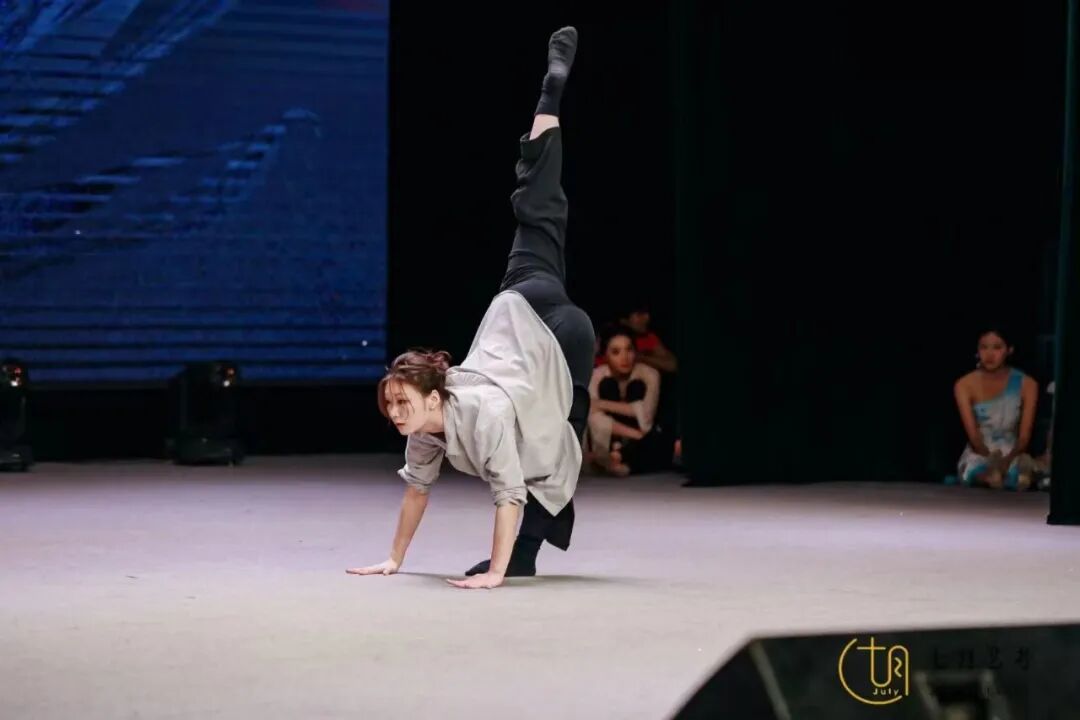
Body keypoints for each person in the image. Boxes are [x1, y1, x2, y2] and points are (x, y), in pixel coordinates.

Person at [347, 27, 593, 589]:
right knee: (537, 209)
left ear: (434, 396)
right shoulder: (424, 428)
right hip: (522, 306)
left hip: (556, 335)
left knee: (555, 453)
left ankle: (551, 93)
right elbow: (416, 491)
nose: (395, 412)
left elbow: (507, 494)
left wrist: (495, 574)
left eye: (401, 401)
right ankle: (548, 102)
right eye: (392, 403)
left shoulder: (482, 416)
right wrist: (393, 560)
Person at [953, 327, 1039, 490]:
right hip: (980, 452)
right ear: (977, 350)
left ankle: (1018, 472)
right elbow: (974, 437)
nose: (989, 354)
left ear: (1009, 350)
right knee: (975, 472)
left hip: (1012, 452)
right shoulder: (964, 384)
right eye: (984, 347)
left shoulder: (1027, 384)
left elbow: (1024, 438)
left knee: (1015, 472)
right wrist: (991, 460)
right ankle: (993, 475)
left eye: (997, 347)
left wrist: (1007, 460)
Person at [586, 324, 669, 476]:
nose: (624, 358)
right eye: (616, 352)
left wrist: (602, 404)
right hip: (615, 439)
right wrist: (635, 433)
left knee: (636, 387)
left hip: (642, 438)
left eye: (629, 350)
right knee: (608, 385)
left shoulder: (649, 374)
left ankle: (620, 459)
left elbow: (646, 418)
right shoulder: (597, 376)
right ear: (605, 356)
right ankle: (616, 454)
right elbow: (594, 418)